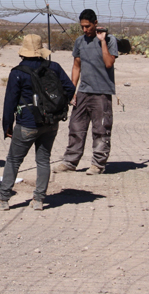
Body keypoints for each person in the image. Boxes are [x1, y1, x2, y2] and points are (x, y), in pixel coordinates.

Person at [0, 34, 76, 211]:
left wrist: (7, 125)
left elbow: (10, 102)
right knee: (43, 160)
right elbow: (70, 88)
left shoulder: (18, 73)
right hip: (50, 122)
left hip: (27, 123)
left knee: (14, 160)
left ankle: (3, 198)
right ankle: (39, 200)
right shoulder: (54, 67)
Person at [54, 9, 118, 175]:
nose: (85, 30)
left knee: (101, 129)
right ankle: (70, 162)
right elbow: (76, 66)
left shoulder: (110, 40)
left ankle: (98, 164)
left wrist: (102, 41)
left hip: (102, 92)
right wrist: (72, 90)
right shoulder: (79, 41)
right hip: (83, 91)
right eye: (82, 26)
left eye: (88, 26)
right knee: (76, 127)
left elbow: (109, 63)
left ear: (95, 23)